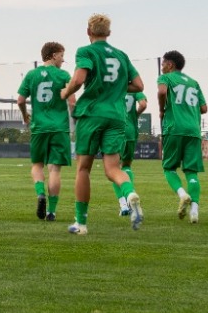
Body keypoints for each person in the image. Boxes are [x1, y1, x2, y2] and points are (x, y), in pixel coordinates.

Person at [61, 14, 142, 235]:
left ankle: (81, 223)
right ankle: (130, 193)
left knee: (83, 168)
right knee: (113, 168)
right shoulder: (121, 55)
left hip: (93, 114)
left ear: (88, 31)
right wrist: (116, 90)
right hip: (116, 116)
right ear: (109, 33)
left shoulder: (86, 51)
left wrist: (65, 92)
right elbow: (138, 84)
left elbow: (78, 80)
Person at [16, 41, 72, 221]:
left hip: (39, 127)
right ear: (54, 55)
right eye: (62, 56)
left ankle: (40, 194)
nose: (63, 60)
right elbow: (72, 102)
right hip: (59, 128)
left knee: (37, 165)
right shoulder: (63, 75)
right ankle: (52, 212)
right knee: (55, 170)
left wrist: (25, 115)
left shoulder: (32, 75)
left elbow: (20, 100)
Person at [155, 51, 206, 223]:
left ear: (170, 64)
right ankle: (194, 212)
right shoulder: (194, 83)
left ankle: (182, 194)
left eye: (163, 63)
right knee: (192, 172)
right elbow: (204, 108)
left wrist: (162, 109)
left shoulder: (166, 78)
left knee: (169, 168)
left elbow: (162, 92)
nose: (162, 67)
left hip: (174, 127)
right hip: (193, 130)